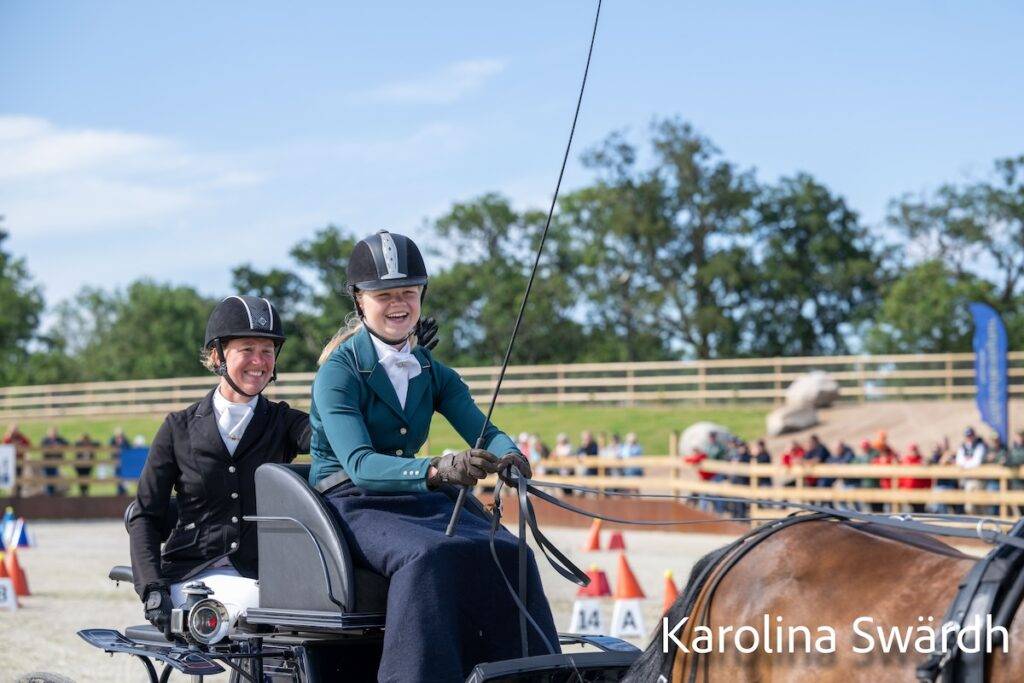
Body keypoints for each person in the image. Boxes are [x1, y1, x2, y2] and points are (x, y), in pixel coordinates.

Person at [307, 230, 557, 681]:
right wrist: (439, 468)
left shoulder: (432, 370)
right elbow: (360, 465)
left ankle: (527, 674)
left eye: (408, 292)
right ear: (360, 300)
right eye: (384, 295)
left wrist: (509, 456)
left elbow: (485, 431)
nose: (398, 303)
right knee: (427, 555)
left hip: (416, 499)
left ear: (421, 295)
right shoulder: (338, 373)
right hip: (350, 501)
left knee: (510, 551)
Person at [127, 295, 311, 639]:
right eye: (247, 349)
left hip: (260, 576)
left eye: (267, 351)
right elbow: (145, 516)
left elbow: (329, 436)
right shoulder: (177, 429)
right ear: (217, 356)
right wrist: (151, 587)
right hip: (191, 577)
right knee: (259, 606)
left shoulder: (284, 422)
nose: (259, 361)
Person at [956, 427, 987, 514]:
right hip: (966, 479)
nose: (969, 438)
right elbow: (959, 462)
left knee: (979, 506)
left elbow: (976, 462)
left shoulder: (979, 446)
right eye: (967, 436)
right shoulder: (963, 447)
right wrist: (968, 462)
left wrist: (965, 463)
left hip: (977, 479)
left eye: (971, 435)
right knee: (969, 507)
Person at [40, 426, 69, 496]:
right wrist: (50, 448)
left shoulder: (60, 439)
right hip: (47, 461)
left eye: (55, 433)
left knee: (54, 475)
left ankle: (52, 492)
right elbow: (41, 446)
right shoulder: (45, 440)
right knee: (47, 476)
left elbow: (67, 444)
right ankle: (48, 493)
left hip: (56, 461)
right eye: (52, 433)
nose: (54, 434)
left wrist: (60, 446)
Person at [110, 426, 131, 496]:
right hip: (116, 461)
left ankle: (123, 490)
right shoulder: (113, 441)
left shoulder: (125, 441)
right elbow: (111, 450)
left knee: (124, 476)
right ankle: (120, 490)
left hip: (124, 462)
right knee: (117, 475)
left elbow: (129, 448)